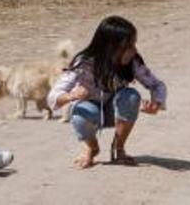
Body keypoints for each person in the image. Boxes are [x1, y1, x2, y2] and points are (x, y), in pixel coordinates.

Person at [48, 15, 167, 169]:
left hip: (116, 111)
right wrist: (71, 96)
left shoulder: (133, 62)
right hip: (90, 113)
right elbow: (53, 96)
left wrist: (156, 103)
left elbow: (157, 85)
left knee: (131, 97)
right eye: (129, 45)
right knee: (79, 114)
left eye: (134, 44)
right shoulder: (84, 63)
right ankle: (92, 147)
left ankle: (118, 148)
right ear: (110, 47)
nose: (134, 50)